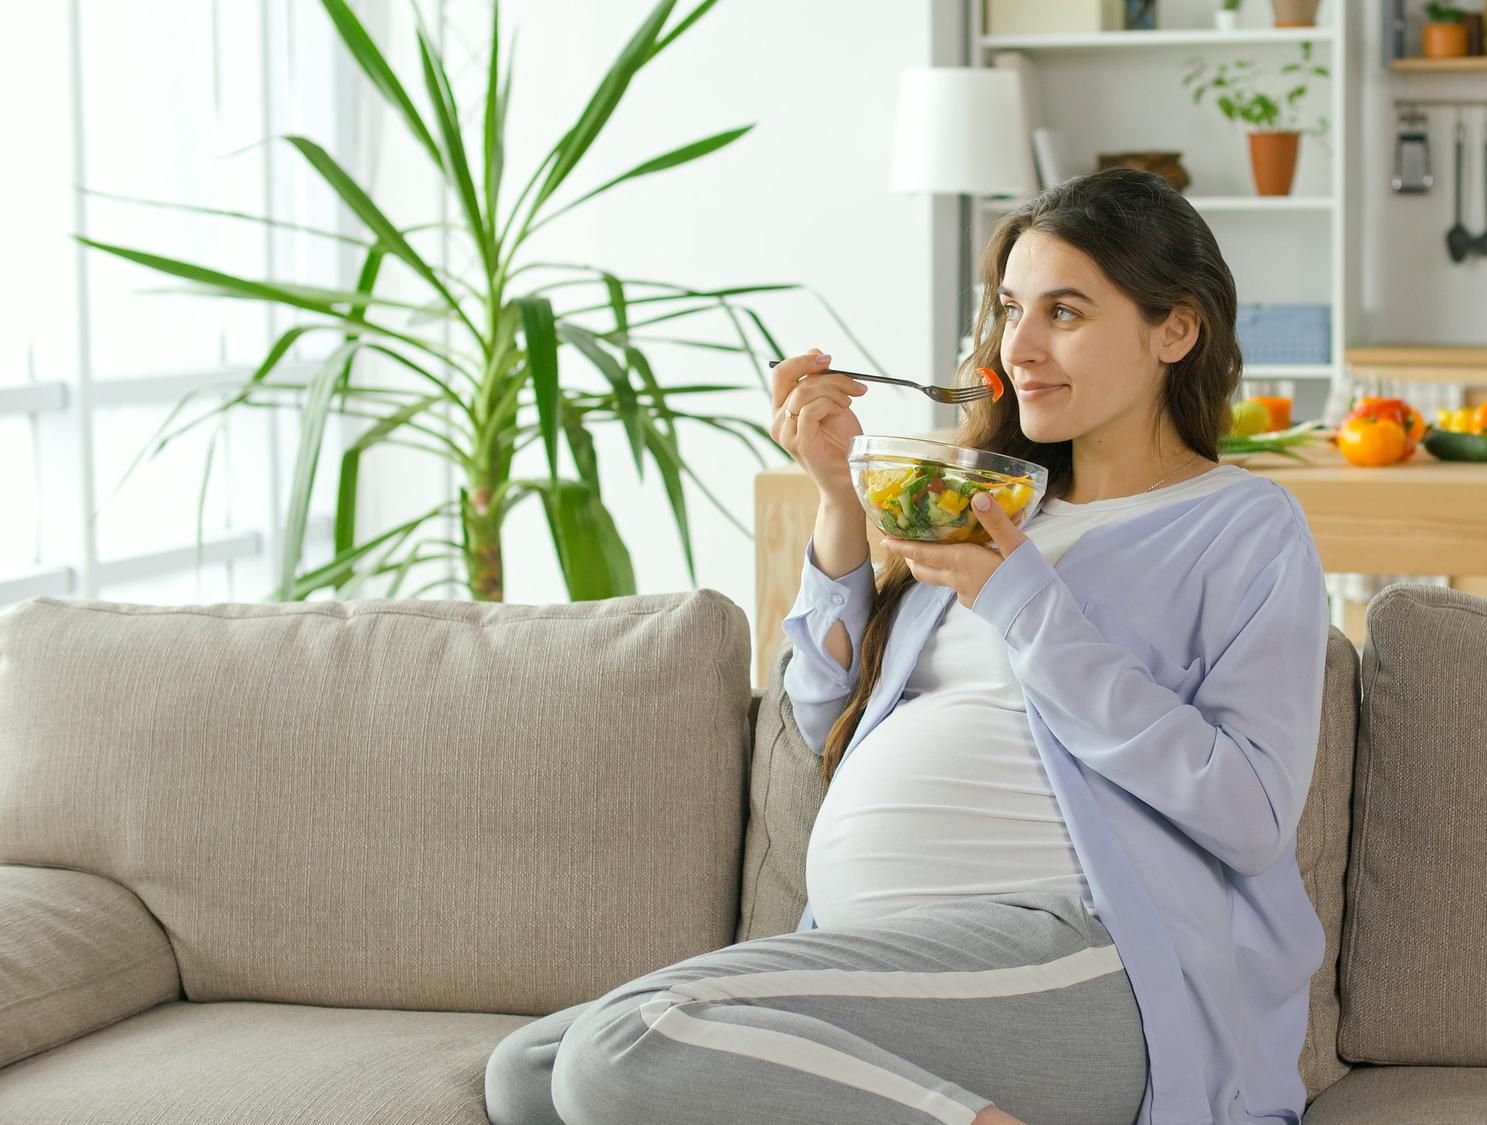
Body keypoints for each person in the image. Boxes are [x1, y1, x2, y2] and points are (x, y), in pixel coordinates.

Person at [484, 169, 1330, 1125]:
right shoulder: (997, 501)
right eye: (1012, 308)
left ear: (1174, 329)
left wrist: (1025, 604)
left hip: (1092, 961)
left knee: (618, 1053)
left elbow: (1252, 810)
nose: (1020, 346)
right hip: (892, 955)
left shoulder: (1239, 525)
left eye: (1065, 311)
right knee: (526, 1072)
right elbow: (818, 712)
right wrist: (840, 497)